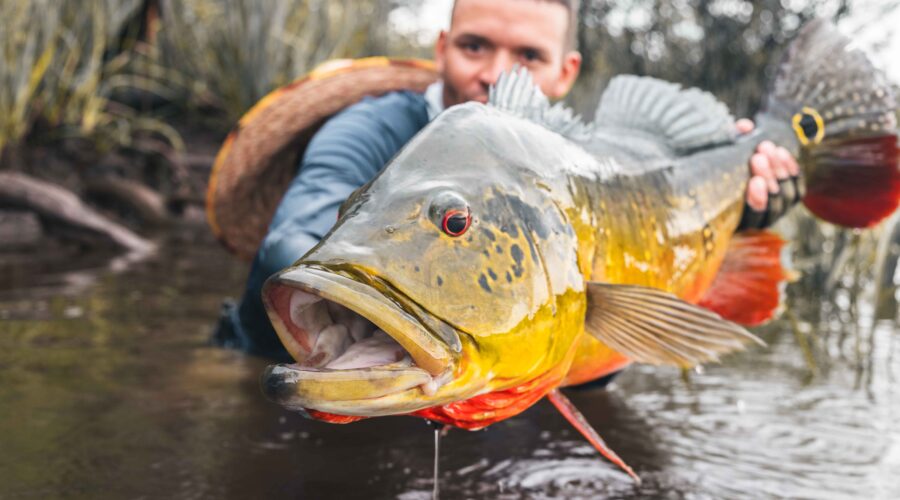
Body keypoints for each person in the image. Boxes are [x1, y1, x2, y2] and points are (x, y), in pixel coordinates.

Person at [213, 0, 800, 360]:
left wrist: (742, 209)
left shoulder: (580, 160)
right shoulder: (365, 130)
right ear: (442, 47)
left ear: (567, 72)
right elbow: (287, 249)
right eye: (474, 46)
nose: (494, 75)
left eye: (527, 57)